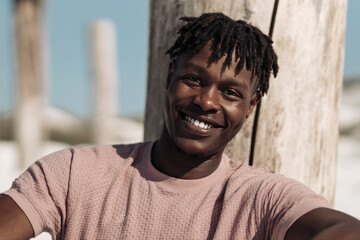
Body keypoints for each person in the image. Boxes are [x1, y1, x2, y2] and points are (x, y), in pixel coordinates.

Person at [0, 12, 359, 240]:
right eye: (194, 79)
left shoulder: (262, 200)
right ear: (170, 77)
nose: (206, 101)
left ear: (251, 107)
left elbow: (333, 229)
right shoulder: (74, 175)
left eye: (231, 92)